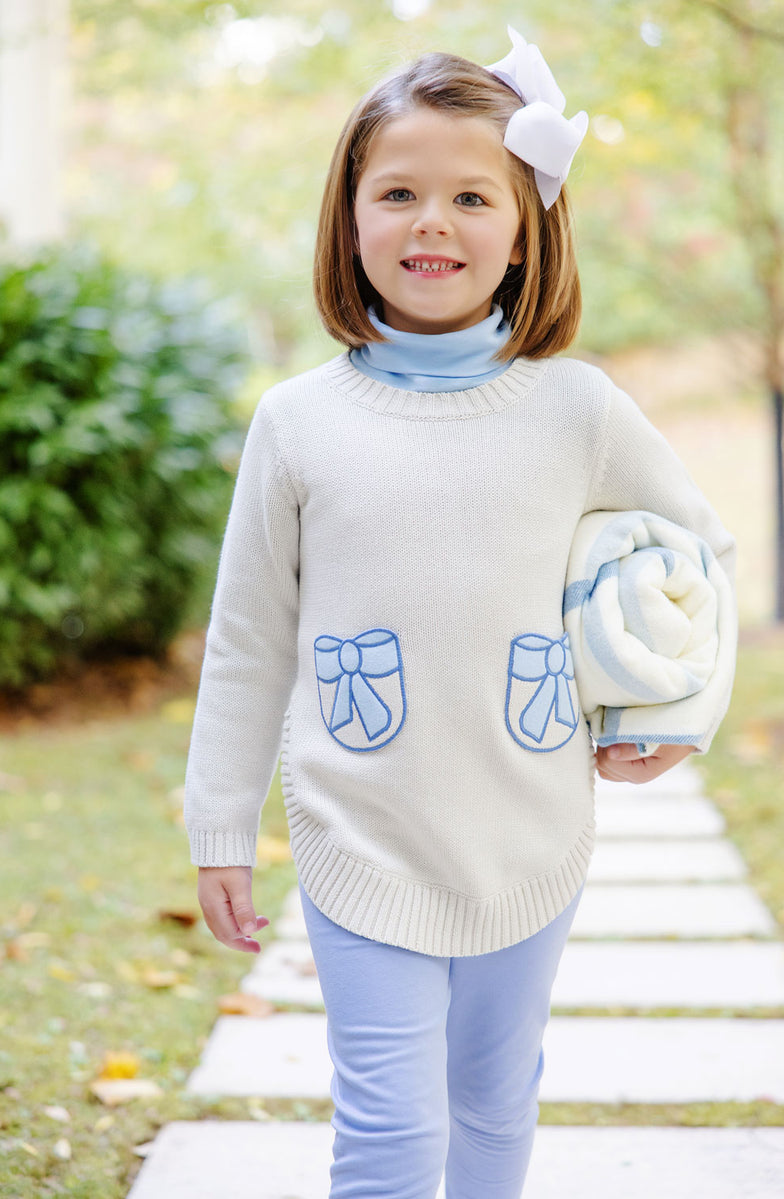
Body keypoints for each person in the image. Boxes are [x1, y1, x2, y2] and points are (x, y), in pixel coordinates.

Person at [185, 27, 736, 1199]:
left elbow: (701, 552)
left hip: (526, 829)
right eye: (396, 192)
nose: (430, 221)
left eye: (470, 197)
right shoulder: (297, 422)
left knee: (490, 1101)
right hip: (358, 830)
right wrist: (219, 822)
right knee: (388, 1131)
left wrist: (671, 710)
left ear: (526, 229)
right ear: (348, 219)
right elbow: (247, 640)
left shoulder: (577, 411)